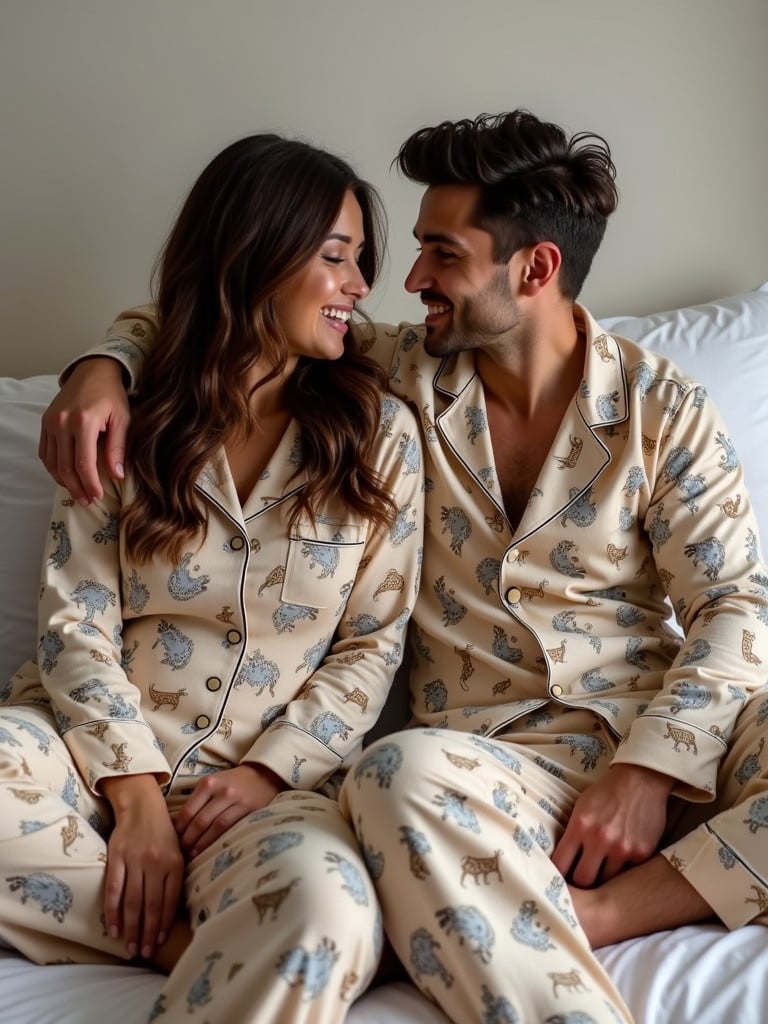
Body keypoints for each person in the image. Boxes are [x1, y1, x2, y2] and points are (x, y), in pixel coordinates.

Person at [38, 111, 768, 1024]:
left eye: (442, 254)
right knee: (396, 773)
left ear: (535, 269)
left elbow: (736, 607)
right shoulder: (400, 375)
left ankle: (601, 913)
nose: (408, 279)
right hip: (476, 770)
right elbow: (236, 303)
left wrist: (651, 772)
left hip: (648, 736)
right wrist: (102, 365)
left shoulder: (666, 410)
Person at [1, 132, 424, 1023]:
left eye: (362, 262)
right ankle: (181, 943)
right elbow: (73, 619)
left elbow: (371, 646)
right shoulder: (129, 410)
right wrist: (139, 803)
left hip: (264, 788)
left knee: (326, 912)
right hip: (83, 763)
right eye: (337, 257)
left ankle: (229, 934)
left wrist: (270, 775)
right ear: (256, 250)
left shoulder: (378, 431)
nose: (359, 286)